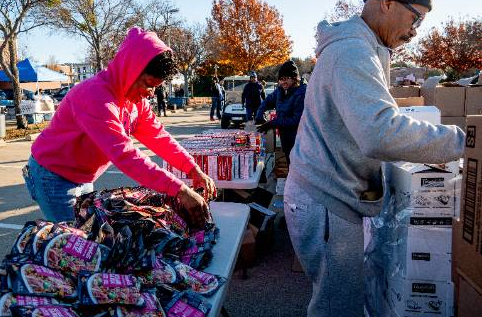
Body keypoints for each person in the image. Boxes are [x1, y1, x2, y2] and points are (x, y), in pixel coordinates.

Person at [283, 0, 465, 317]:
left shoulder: (360, 47)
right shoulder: (353, 51)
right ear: (386, 3)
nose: (415, 31)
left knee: (337, 302)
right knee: (336, 311)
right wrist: (465, 141)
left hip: (327, 197)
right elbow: (378, 131)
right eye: (415, 19)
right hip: (325, 200)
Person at [23, 27, 215, 228]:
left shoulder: (136, 101)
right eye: (148, 84)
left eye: (155, 88)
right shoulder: (95, 97)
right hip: (53, 177)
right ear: (131, 71)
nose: (150, 93)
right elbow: (125, 155)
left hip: (82, 176)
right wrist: (180, 190)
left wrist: (192, 169)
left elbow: (159, 138)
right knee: (74, 241)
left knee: (89, 235)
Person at [255, 60, 307, 164]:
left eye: (286, 78)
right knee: (289, 161)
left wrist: (273, 123)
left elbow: (296, 120)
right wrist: (259, 113)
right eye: (281, 79)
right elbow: (267, 101)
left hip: (299, 138)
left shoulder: (302, 93)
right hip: (285, 136)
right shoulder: (280, 90)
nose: (283, 82)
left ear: (294, 78)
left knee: (297, 165)